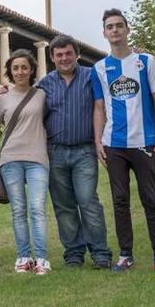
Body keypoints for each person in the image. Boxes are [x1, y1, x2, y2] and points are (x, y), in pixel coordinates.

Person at [92, 8, 155, 274]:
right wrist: (97, 142)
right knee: (120, 200)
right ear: (104, 33)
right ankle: (125, 254)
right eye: (109, 27)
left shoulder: (146, 62)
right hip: (114, 144)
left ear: (127, 29)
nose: (114, 30)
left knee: (151, 199)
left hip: (145, 142)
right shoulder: (100, 68)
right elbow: (98, 108)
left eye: (119, 25)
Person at [37, 34, 112, 269]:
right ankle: (73, 253)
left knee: (88, 201)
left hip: (85, 151)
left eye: (68, 53)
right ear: (52, 57)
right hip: (55, 152)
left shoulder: (92, 76)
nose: (64, 58)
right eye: (59, 54)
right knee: (64, 205)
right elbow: (28, 108)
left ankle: (100, 252)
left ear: (76, 54)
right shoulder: (45, 84)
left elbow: (114, 84)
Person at [0, 49, 51, 275]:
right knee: (18, 210)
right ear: (9, 71)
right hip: (10, 159)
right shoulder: (1, 99)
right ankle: (24, 257)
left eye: (24, 67)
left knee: (37, 209)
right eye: (15, 68)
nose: (20, 72)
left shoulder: (43, 95)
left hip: (37, 158)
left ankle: (42, 258)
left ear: (32, 70)